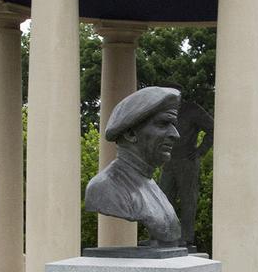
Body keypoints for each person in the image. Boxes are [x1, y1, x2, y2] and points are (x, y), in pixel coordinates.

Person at [84, 86, 182, 246]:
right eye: (163, 124)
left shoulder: (151, 186)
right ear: (130, 134)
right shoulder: (103, 188)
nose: (175, 134)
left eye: (173, 125)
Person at [158, 87, 213, 247]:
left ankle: (186, 237)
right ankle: (161, 236)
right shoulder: (164, 111)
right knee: (163, 199)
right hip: (168, 161)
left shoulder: (192, 110)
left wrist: (200, 152)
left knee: (188, 200)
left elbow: (212, 128)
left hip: (187, 161)